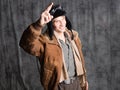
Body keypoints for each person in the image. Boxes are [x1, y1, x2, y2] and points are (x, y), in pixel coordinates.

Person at [19, 2, 88, 90]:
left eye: (63, 19)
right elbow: (26, 44)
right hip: (59, 86)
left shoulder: (73, 37)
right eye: (57, 21)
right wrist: (38, 25)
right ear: (51, 23)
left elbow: (80, 61)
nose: (62, 23)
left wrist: (83, 82)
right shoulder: (45, 41)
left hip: (76, 83)